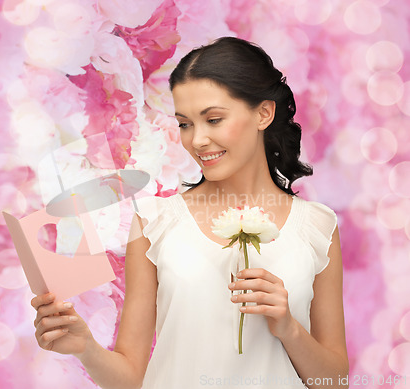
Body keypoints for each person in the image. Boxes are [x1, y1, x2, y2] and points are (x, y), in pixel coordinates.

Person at [31, 37, 349, 389]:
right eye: (185, 124)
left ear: (263, 113)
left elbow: (334, 381)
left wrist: (288, 328)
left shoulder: (317, 226)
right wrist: (86, 348)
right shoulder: (155, 223)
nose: (196, 140)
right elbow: (130, 377)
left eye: (213, 119)